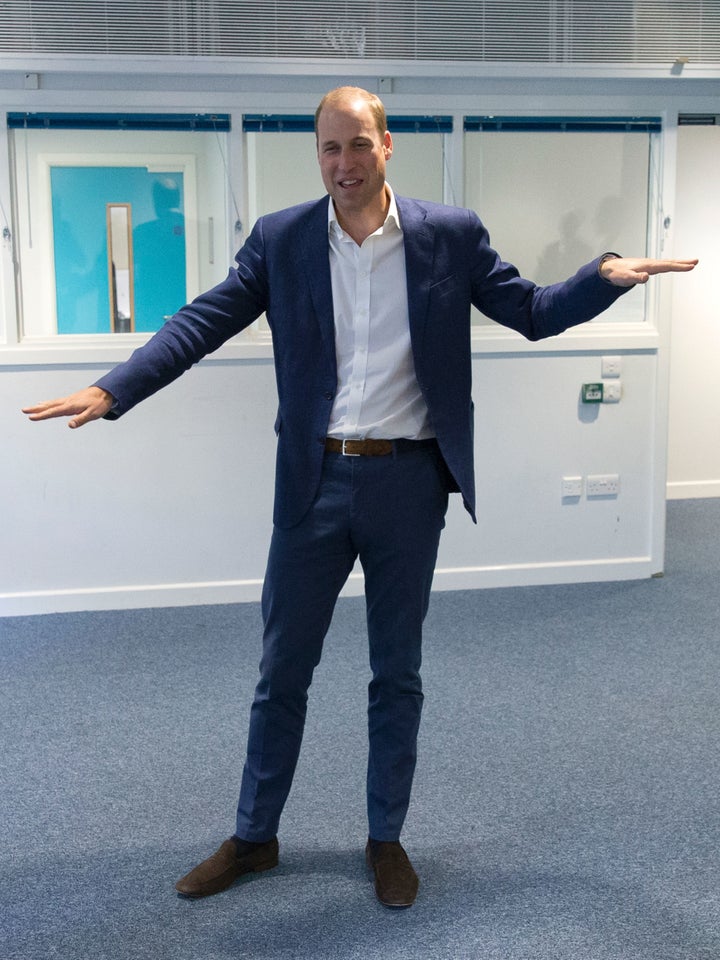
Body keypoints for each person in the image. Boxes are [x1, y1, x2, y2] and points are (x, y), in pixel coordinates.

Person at [22, 86, 698, 909]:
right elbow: (201, 321)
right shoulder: (283, 240)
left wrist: (604, 277)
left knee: (397, 671)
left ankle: (385, 838)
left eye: (357, 145)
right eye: (328, 149)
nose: (342, 164)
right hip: (313, 483)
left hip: (410, 483)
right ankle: (253, 837)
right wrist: (114, 387)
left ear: (387, 145)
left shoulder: (448, 234)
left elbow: (529, 311)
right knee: (282, 671)